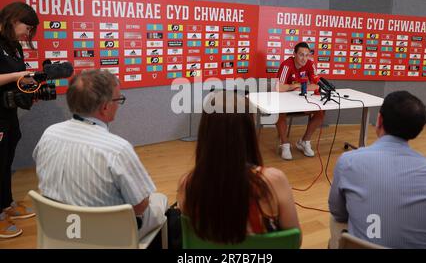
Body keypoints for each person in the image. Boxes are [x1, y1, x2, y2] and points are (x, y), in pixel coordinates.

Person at [33, 69, 167, 239]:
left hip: (57, 230)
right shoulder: (117, 149)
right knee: (160, 202)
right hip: (105, 236)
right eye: (118, 99)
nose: (118, 105)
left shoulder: (48, 134)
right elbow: (140, 206)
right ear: (105, 107)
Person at [177, 91, 300, 246]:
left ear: (205, 131)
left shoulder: (187, 184)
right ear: (249, 131)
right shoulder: (273, 181)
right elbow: (294, 241)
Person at [328, 91, 426, 248]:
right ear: (418, 129)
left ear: (379, 120)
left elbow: (338, 213)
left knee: (335, 220)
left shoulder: (348, 161)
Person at [0, 2, 39, 239]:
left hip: (9, 112)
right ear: (14, 20)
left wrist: (29, 91)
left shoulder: (14, 46)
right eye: (27, 27)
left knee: (6, 161)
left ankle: (6, 204)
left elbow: (17, 79)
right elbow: (13, 75)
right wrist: (18, 75)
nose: (28, 34)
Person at [276, 42, 324, 160]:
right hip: (285, 101)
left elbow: (316, 85)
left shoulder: (310, 64)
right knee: (280, 113)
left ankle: (304, 141)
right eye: (301, 55)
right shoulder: (286, 65)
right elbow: (279, 88)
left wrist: (301, 87)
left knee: (320, 112)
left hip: (301, 100)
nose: (304, 58)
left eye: (307, 55)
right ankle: (285, 144)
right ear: (294, 54)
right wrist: (297, 85)